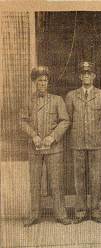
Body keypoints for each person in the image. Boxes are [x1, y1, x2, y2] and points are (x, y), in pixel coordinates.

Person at [20, 66, 71, 226]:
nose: (43, 83)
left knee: (56, 182)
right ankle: (34, 215)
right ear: (34, 82)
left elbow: (65, 120)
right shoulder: (27, 100)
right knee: (35, 182)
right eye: (40, 80)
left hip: (54, 148)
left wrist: (53, 136)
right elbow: (22, 120)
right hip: (34, 148)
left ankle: (61, 214)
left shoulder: (57, 100)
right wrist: (33, 135)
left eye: (45, 80)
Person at [65, 61, 101, 224]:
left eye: (89, 73)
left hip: (97, 143)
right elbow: (68, 120)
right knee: (79, 179)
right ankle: (80, 211)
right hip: (78, 143)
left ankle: (97, 211)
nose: (86, 76)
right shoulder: (71, 96)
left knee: (97, 178)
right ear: (79, 76)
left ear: (94, 76)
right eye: (83, 74)